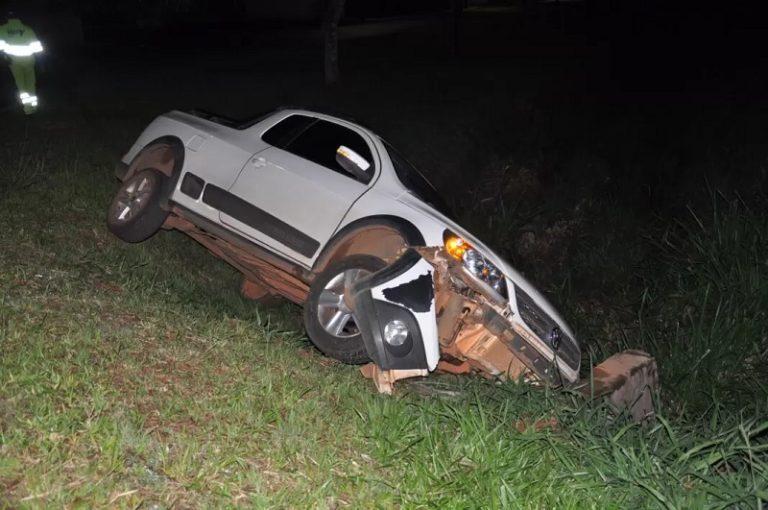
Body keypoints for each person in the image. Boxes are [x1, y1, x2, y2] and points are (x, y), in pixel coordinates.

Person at [0, 12, 43, 114]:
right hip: (28, 61)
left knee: (21, 84)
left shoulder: (2, 30)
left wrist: (5, 56)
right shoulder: (28, 30)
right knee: (30, 82)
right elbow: (38, 49)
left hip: (13, 62)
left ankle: (27, 108)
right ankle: (33, 106)